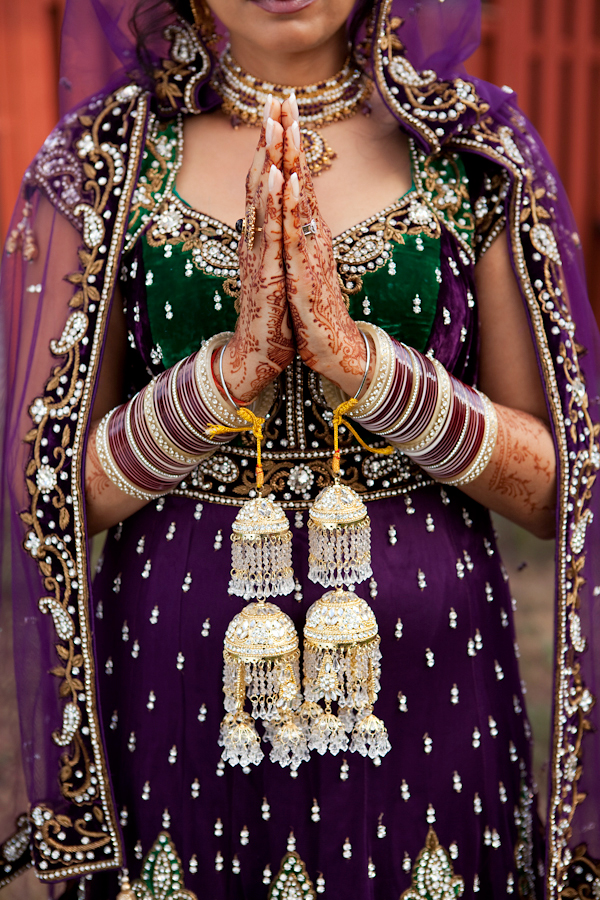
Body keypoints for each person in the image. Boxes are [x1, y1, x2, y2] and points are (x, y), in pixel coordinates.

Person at [1, 0, 599, 897]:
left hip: (428, 665)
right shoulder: (103, 163)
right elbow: (48, 489)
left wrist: (364, 368)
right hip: (181, 660)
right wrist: (227, 376)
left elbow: (558, 490)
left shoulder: (473, 151)